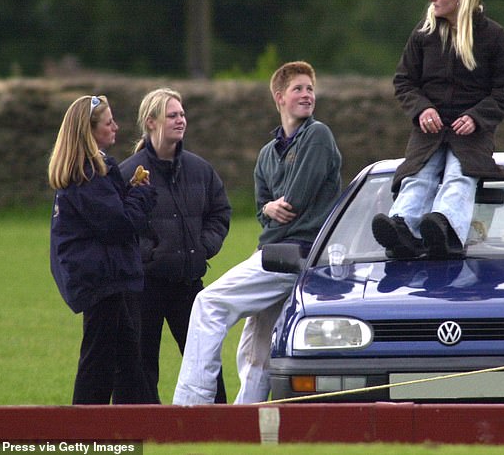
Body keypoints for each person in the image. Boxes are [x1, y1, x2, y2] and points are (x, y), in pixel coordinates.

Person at [173, 61, 342, 405]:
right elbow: (262, 210)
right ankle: (244, 426)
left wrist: (274, 209)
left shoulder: (318, 135)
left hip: (298, 254)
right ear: (279, 97)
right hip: (275, 252)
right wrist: (268, 208)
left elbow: (295, 201)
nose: (307, 94)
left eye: (310, 88)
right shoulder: (267, 154)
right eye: (298, 88)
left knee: (208, 304)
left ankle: (191, 405)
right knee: (258, 352)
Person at [372, 0, 504, 259]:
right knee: (419, 176)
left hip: (472, 134)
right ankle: (402, 228)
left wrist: (477, 118)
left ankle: (444, 227)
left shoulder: (492, 36)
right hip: (429, 131)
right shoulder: (423, 34)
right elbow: (404, 81)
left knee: (459, 176)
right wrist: (422, 109)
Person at [119, 88, 231, 403]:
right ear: (151, 122)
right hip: (145, 287)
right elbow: (121, 226)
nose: (181, 120)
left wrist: (202, 246)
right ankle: (145, 426)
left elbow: (220, 212)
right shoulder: (129, 173)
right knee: (141, 364)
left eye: (182, 114)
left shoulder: (200, 170)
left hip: (187, 283)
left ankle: (220, 422)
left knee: (204, 360)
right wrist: (149, 255)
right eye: (172, 115)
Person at [48, 95, 157, 404]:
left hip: (105, 277)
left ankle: (134, 425)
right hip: (102, 280)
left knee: (127, 359)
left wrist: (130, 196)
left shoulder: (92, 171)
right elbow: (118, 225)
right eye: (109, 123)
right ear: (90, 130)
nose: (116, 127)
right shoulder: (88, 174)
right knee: (99, 362)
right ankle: (83, 431)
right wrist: (142, 195)